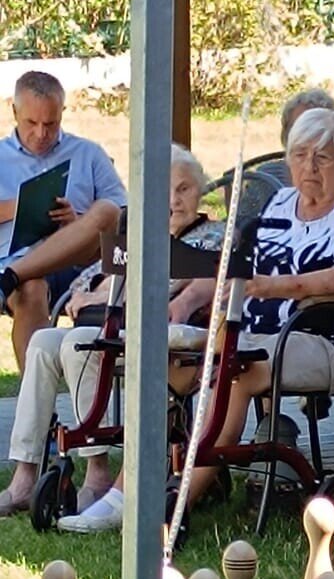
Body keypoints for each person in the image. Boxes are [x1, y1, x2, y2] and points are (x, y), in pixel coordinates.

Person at [184, 108, 334, 507]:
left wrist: (277, 287)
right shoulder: (280, 202)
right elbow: (239, 264)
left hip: (329, 341)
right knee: (178, 364)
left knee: (237, 371)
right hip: (254, 334)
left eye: (322, 157)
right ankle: (136, 489)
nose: (308, 167)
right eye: (299, 155)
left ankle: (176, 504)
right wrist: (190, 299)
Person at [3, 146, 219, 524]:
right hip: (116, 327)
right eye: (165, 190)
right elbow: (90, 279)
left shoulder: (212, 235)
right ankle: (25, 470)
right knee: (42, 342)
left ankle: (97, 470)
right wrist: (92, 290)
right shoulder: (143, 235)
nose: (174, 199)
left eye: (184, 188)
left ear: (200, 191)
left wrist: (105, 293)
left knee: (79, 343)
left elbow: (173, 281)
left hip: (168, 335)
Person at [0, 71, 126, 369]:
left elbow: (124, 213)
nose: (41, 133)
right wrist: (19, 208)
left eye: (51, 124)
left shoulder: (88, 153)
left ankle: (9, 278)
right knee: (31, 289)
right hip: (20, 261)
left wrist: (77, 221)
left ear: (62, 113)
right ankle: (38, 398)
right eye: (32, 123)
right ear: (14, 112)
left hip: (80, 264)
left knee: (107, 209)